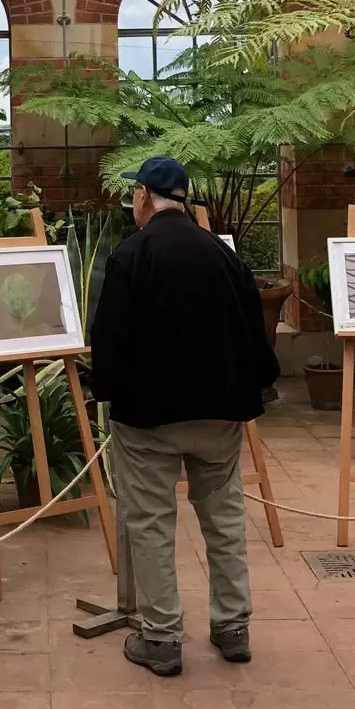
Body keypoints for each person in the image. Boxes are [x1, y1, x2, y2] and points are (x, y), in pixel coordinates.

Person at [89, 156, 280, 677]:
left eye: (135, 195)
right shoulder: (223, 256)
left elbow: (109, 339)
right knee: (224, 519)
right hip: (219, 416)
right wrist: (256, 387)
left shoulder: (131, 254)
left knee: (150, 523)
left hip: (148, 419)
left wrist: (105, 394)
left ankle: (161, 638)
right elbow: (255, 333)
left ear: (146, 198)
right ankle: (232, 627)